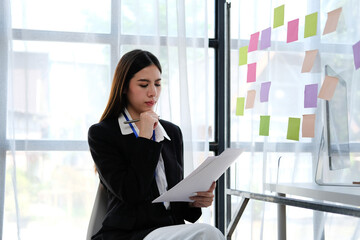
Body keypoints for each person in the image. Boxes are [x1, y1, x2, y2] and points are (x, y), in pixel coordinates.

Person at [88, 49, 225, 240]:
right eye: (144, 84)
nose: (153, 92)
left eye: (158, 84)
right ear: (124, 87)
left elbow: (173, 201)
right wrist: (145, 138)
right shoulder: (103, 133)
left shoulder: (172, 132)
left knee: (206, 232)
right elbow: (132, 193)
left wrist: (194, 202)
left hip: (168, 231)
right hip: (129, 234)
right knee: (208, 233)